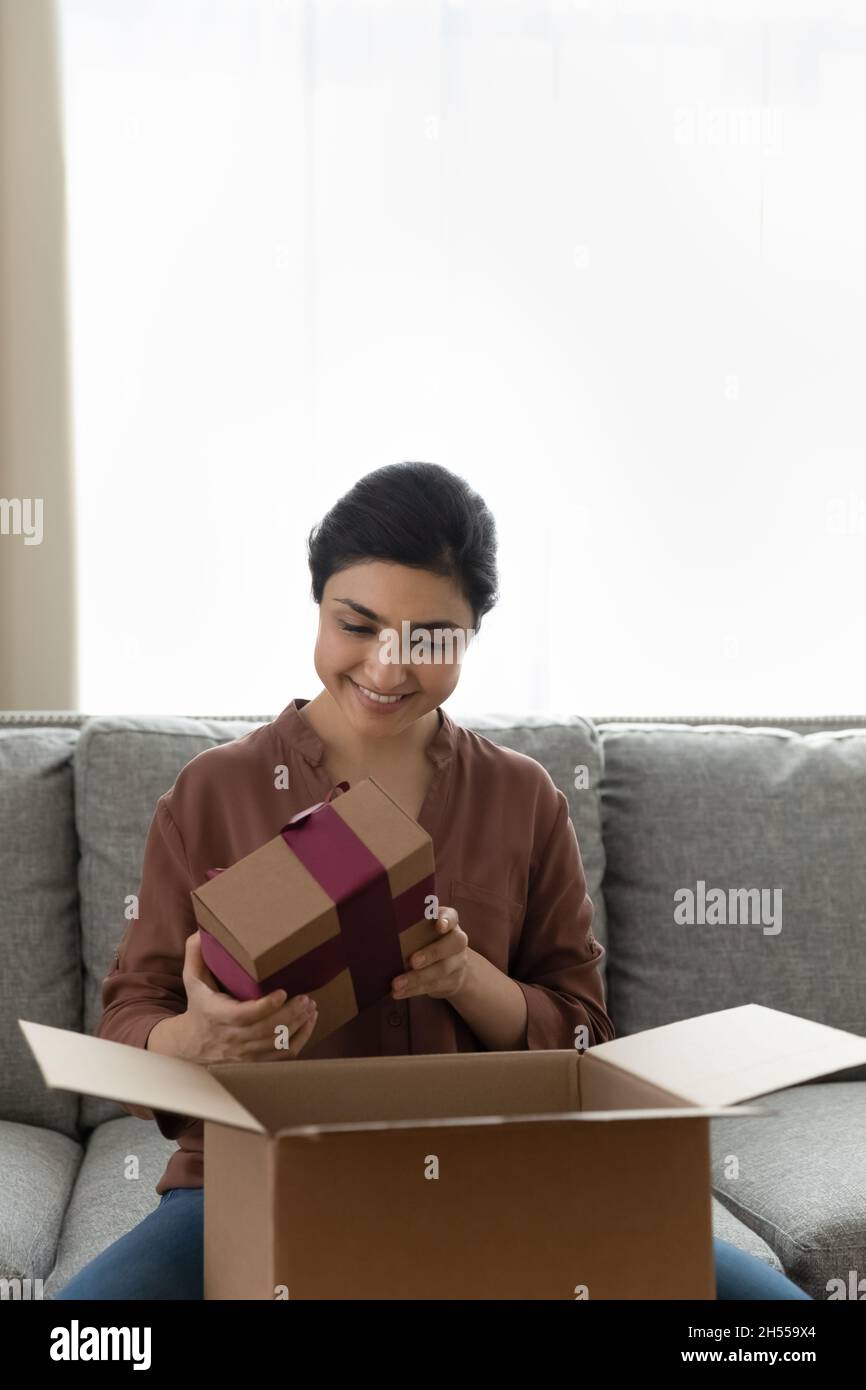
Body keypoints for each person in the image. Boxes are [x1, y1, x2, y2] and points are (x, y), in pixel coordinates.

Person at [53, 462, 811, 1301]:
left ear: (474, 634)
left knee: (772, 1323)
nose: (387, 667)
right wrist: (197, 1043)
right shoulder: (214, 791)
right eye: (358, 623)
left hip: (495, 1183)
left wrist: (470, 981)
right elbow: (128, 1015)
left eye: (431, 639)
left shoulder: (522, 798)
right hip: (252, 1179)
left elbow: (588, 1035)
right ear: (318, 605)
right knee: (85, 1332)